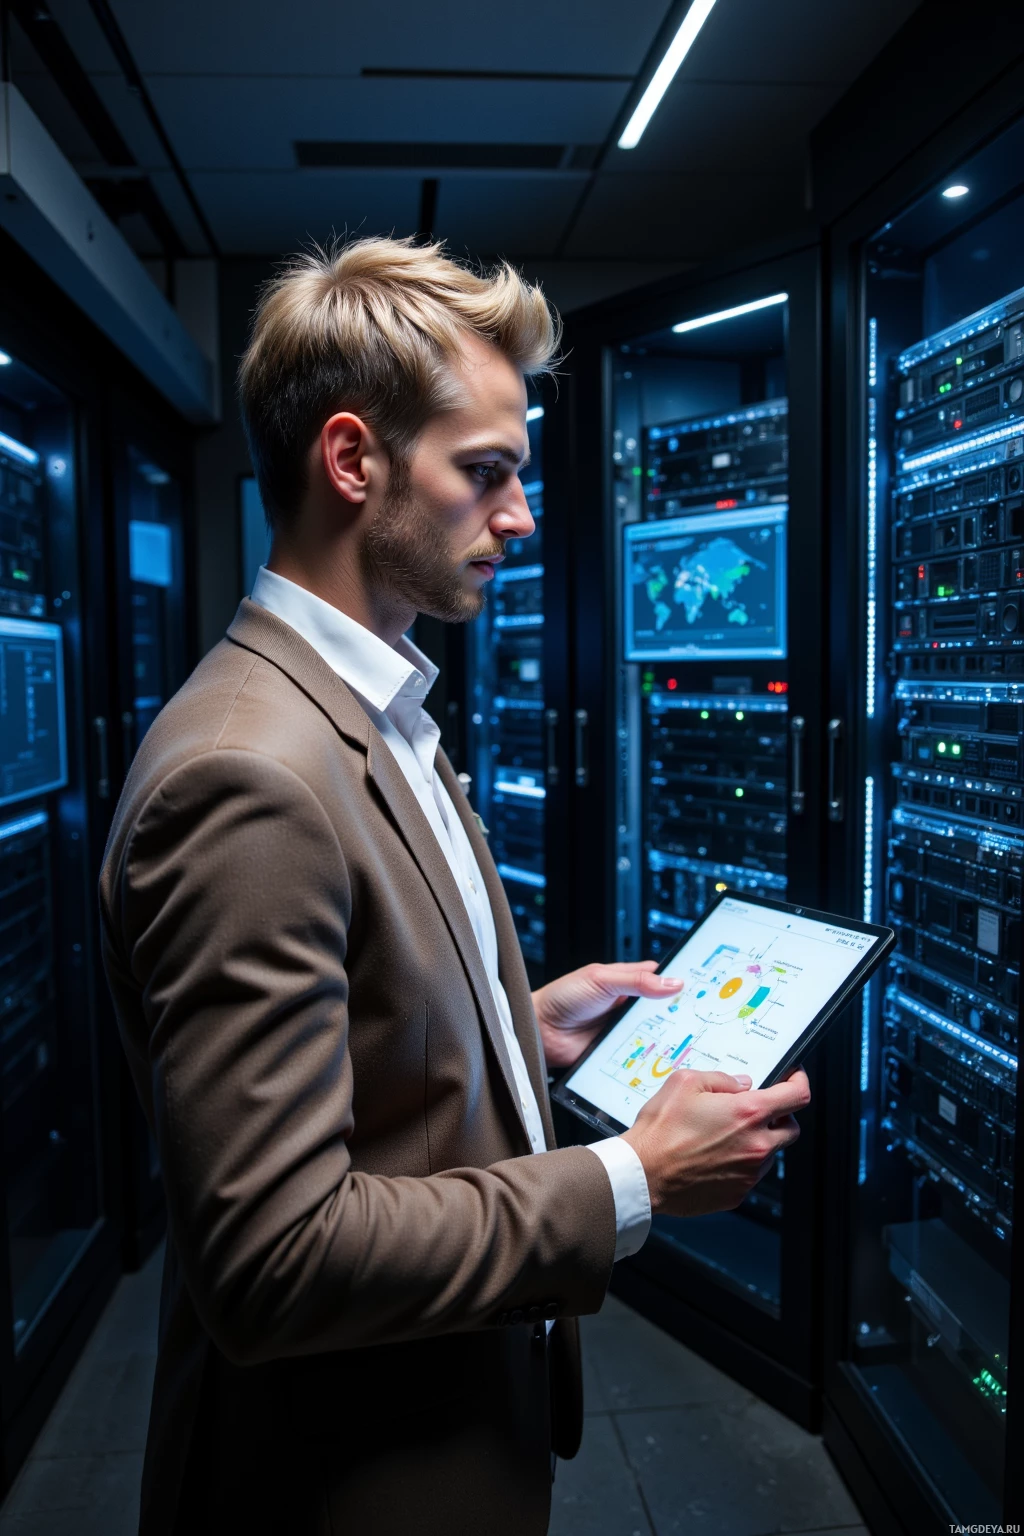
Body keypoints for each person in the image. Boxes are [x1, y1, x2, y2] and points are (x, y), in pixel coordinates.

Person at [98, 236, 810, 1536]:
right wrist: (633, 1179)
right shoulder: (246, 775)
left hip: (444, 1429)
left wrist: (512, 1027)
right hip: (346, 1481)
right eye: (487, 474)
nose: (523, 515)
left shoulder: (377, 706)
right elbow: (271, 1259)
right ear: (354, 460)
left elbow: (354, 1037)